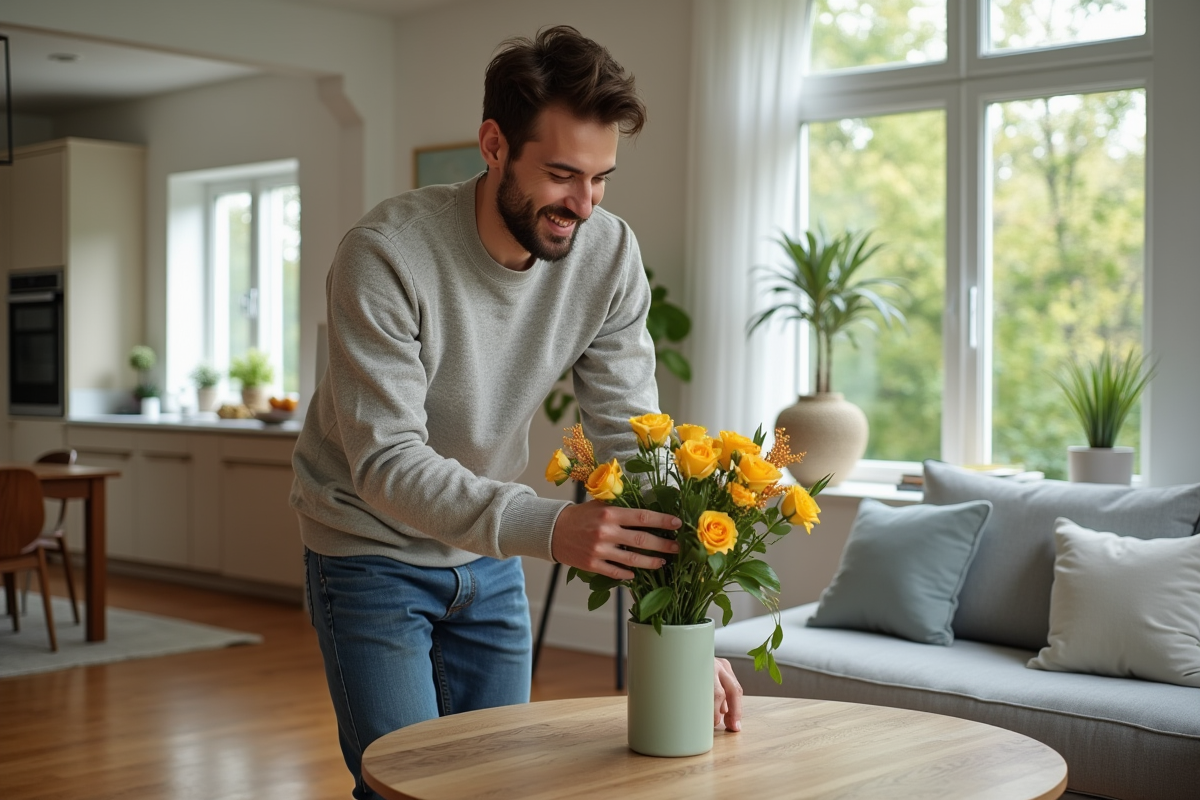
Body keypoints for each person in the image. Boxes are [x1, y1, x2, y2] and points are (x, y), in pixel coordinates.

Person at [290, 25, 742, 799]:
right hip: (367, 550)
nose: (584, 204)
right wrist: (553, 527)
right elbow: (387, 462)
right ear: (494, 144)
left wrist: (684, 627)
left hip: (488, 562)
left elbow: (634, 436)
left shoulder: (607, 254)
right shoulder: (386, 256)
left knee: (499, 784)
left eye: (601, 178)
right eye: (563, 174)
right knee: (406, 786)